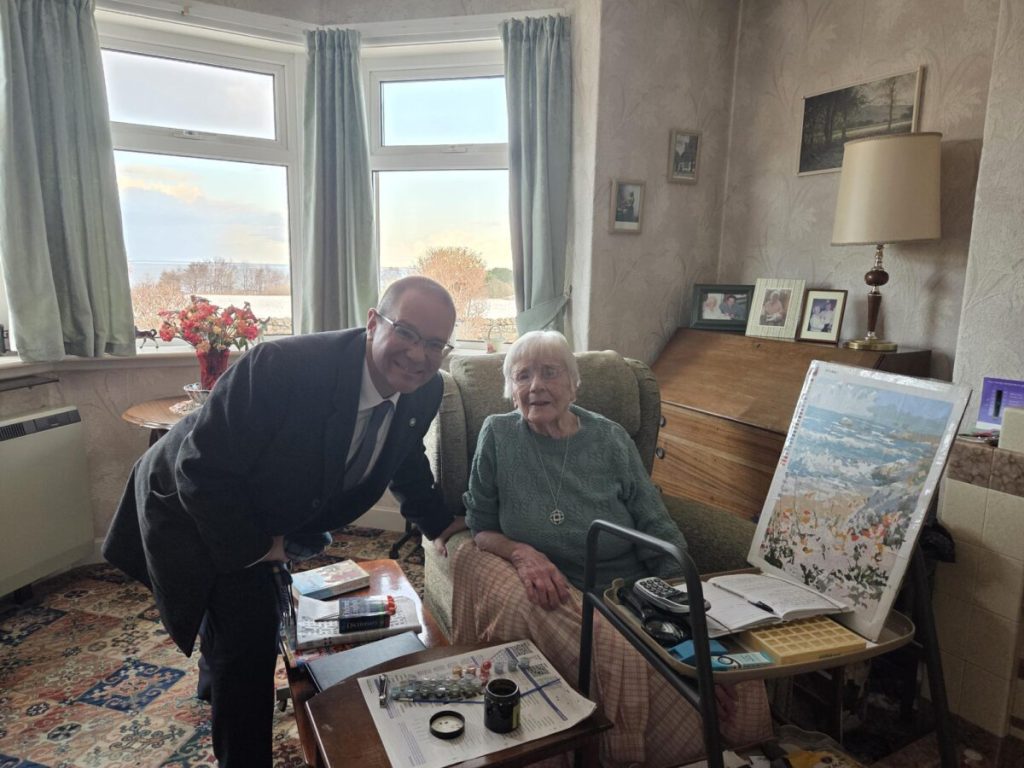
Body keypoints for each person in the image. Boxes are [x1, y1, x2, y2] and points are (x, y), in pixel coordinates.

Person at [102, 276, 467, 767]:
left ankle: (216, 676)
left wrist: (441, 526)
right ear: (373, 322)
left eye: (434, 343)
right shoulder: (283, 367)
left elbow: (404, 459)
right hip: (193, 499)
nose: (419, 355)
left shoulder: (425, 391)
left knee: (235, 630)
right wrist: (260, 548)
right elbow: (199, 470)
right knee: (248, 642)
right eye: (406, 332)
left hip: (265, 499)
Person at [453, 330, 771, 767]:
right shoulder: (498, 436)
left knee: (729, 664)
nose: (536, 386)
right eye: (522, 376)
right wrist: (523, 553)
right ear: (510, 391)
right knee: (617, 651)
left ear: (574, 382)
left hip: (632, 592)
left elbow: (656, 525)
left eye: (550, 372)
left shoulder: (611, 439)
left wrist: (688, 620)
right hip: (560, 597)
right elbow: (481, 527)